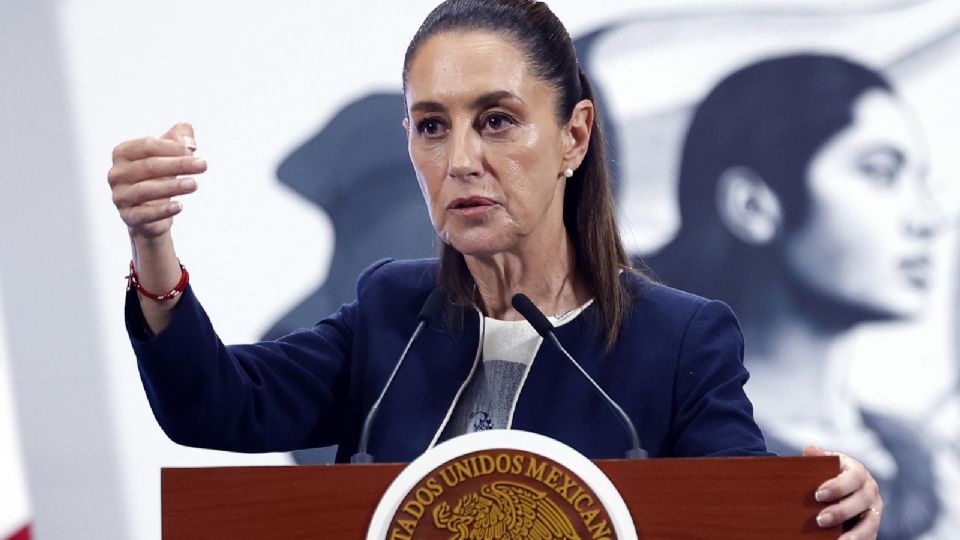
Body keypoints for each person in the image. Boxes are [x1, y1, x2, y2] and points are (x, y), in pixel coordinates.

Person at [106, 1, 882, 536]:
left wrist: (831, 508)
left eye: (497, 120)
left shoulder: (680, 339)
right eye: (432, 127)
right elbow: (216, 405)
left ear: (574, 136)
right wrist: (152, 241)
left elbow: (741, 517)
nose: (461, 160)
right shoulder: (391, 313)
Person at [646, 54, 935, 538]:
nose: (927, 220)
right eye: (881, 172)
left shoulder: (925, 456)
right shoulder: (663, 444)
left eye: (921, 182)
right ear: (753, 205)